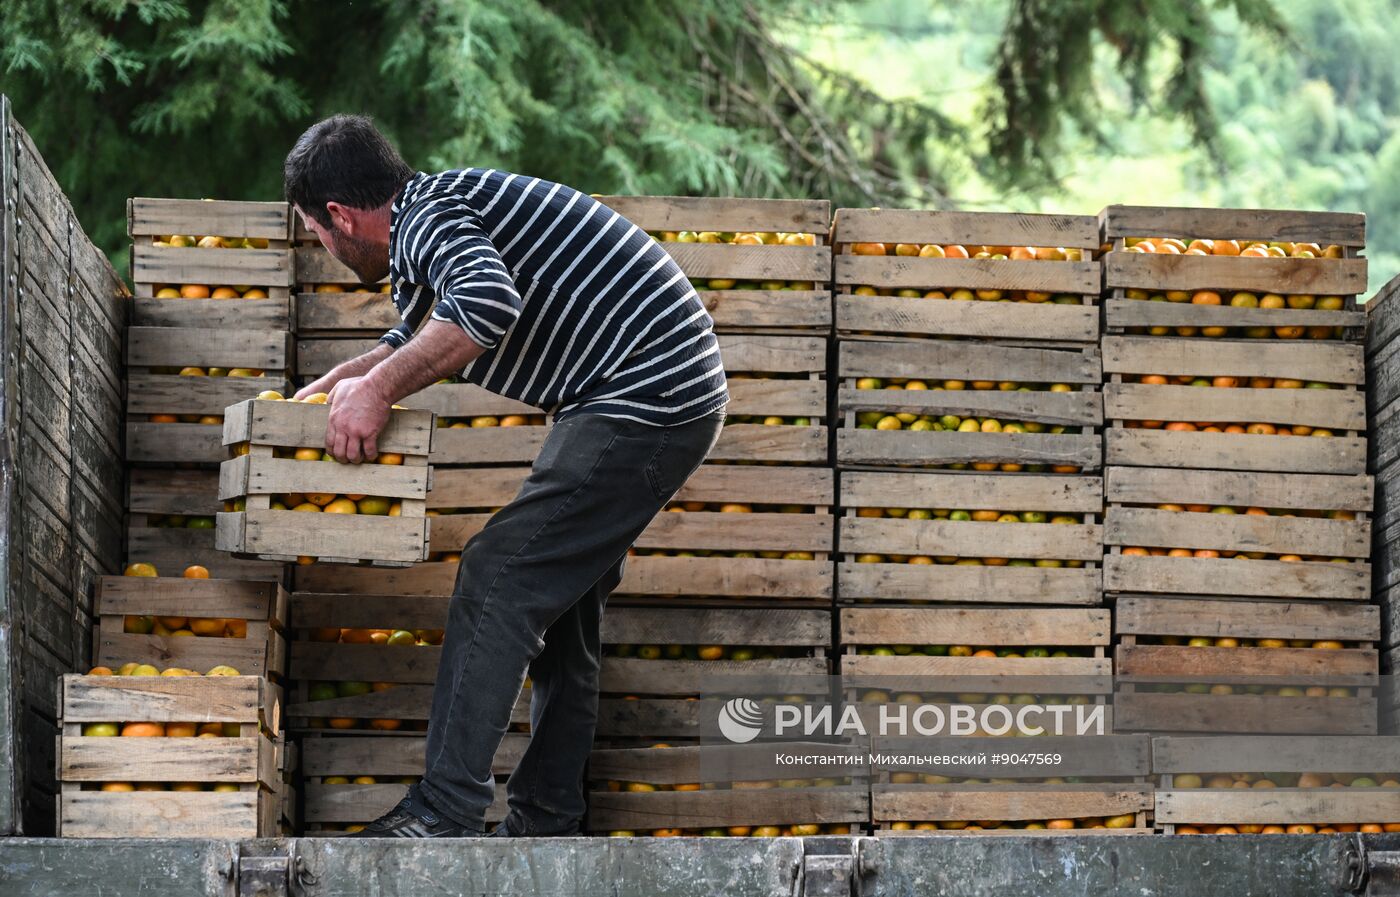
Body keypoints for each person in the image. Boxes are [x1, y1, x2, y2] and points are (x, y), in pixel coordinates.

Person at [284, 114, 727, 837]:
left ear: (341, 215)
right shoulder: (434, 217)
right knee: (566, 612)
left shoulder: (427, 219)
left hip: (644, 396)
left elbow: (485, 304)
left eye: (317, 234)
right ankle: (549, 819)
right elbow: (425, 324)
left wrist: (378, 391)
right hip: (647, 396)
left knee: (498, 573)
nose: (324, 249)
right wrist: (349, 376)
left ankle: (445, 809)